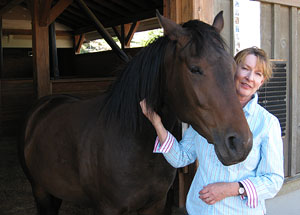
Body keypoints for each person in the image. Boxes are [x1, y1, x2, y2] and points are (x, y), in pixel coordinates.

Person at [140, 47, 284, 215]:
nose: (249, 78)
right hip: (200, 210)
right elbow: (181, 157)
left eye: (258, 74)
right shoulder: (207, 114)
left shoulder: (267, 124)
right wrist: (157, 124)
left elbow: (273, 180)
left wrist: (232, 189)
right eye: (245, 68)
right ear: (232, 70)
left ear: (262, 81)